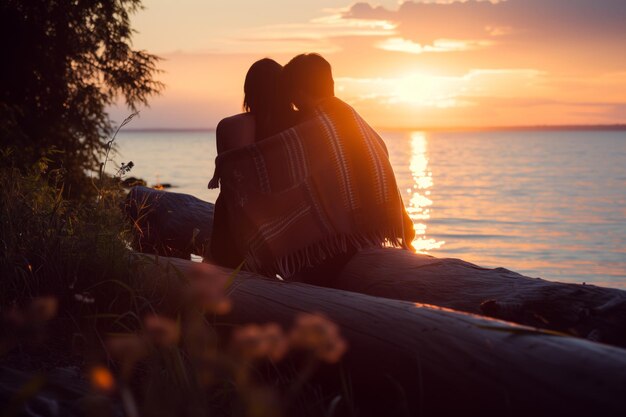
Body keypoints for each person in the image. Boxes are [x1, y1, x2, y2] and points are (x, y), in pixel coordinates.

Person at [212, 53, 415, 281]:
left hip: (278, 242)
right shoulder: (326, 122)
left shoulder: (248, 127)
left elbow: (239, 183)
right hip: (342, 237)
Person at [208, 58, 298, 268]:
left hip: (233, 230)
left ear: (249, 92)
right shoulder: (301, 126)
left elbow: (231, 185)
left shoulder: (230, 125)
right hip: (286, 226)